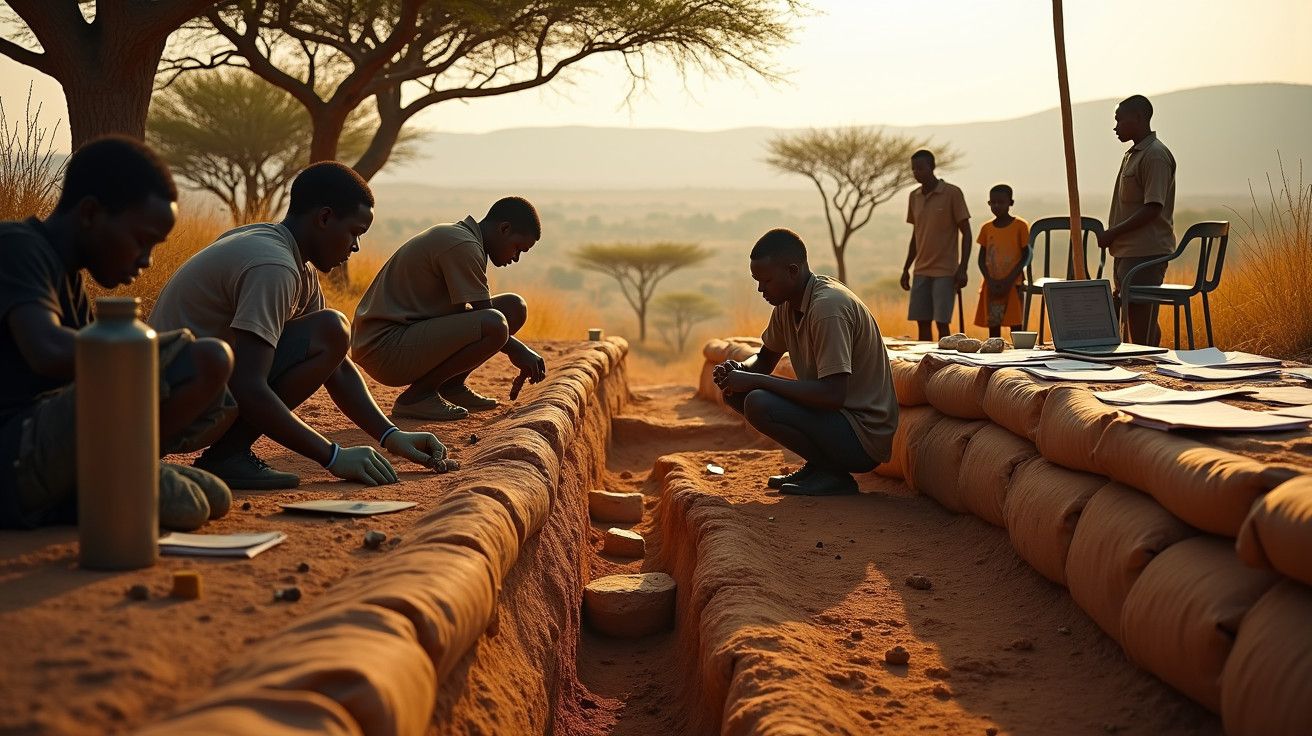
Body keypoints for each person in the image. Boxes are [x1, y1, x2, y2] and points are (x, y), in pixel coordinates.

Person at [150, 162, 447, 490]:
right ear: (324, 218)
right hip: (170, 412)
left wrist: (391, 435)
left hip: (181, 397)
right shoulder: (274, 266)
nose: (355, 247)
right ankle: (227, 456)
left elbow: (335, 362)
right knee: (332, 326)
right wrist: (333, 456)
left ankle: (227, 455)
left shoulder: (283, 254)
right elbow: (249, 385)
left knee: (331, 329)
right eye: (354, 232)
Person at [0, 136, 236, 531]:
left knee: (215, 496)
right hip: (13, 454)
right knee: (201, 359)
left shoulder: (69, 279)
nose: (145, 261)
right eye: (142, 241)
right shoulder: (16, 247)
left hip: (46, 449)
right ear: (90, 213)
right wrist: (154, 353)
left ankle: (111, 476)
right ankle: (103, 485)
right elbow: (47, 350)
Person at [712, 228, 898, 496]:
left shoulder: (827, 309)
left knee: (758, 401)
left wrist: (755, 380)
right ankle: (821, 466)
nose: (760, 289)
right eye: (757, 281)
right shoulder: (787, 305)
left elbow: (833, 395)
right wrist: (737, 372)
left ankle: (834, 474)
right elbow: (763, 361)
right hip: (835, 421)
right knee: (736, 393)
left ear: (792, 270)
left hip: (861, 435)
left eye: (766, 280)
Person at [350, 197, 547, 421]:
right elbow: (489, 318)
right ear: (504, 228)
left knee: (513, 308)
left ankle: (451, 387)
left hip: (402, 337)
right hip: (384, 349)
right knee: (495, 324)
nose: (516, 258)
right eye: (518, 248)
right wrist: (519, 351)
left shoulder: (465, 239)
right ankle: (416, 398)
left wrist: (516, 348)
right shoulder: (463, 245)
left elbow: (483, 313)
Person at [1096, 94, 1176, 346]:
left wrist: (1114, 232)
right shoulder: (1133, 154)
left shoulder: (1155, 156)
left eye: (1120, 120)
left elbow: (1153, 207)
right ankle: (1146, 361)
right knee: (1133, 313)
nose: (1115, 126)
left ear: (1139, 118)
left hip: (1145, 251)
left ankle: (1147, 364)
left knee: (1141, 317)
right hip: (1128, 250)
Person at [902, 149, 971, 341]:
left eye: (920, 168)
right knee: (922, 322)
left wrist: (963, 268)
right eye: (913, 169)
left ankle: (943, 365)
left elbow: (967, 233)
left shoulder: (952, 193)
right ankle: (926, 367)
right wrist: (906, 268)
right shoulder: (914, 196)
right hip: (921, 269)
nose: (916, 172)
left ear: (932, 167)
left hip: (945, 270)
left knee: (942, 323)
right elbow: (916, 235)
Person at [973, 184, 1030, 339]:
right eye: (993, 202)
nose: (996, 206)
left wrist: (1009, 279)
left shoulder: (1020, 225)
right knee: (994, 324)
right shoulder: (986, 228)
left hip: (1013, 283)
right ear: (989, 203)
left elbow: (1026, 255)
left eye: (1001, 202)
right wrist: (990, 280)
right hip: (993, 284)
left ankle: (1019, 357)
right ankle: (995, 356)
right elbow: (981, 259)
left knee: (1016, 324)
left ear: (1010, 203)